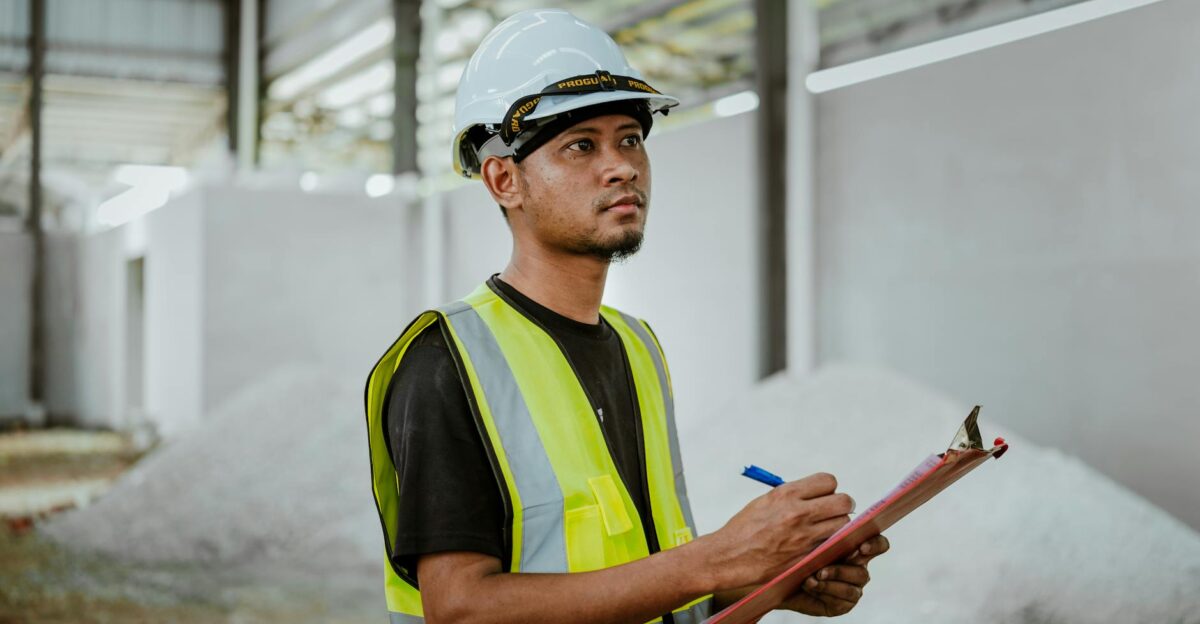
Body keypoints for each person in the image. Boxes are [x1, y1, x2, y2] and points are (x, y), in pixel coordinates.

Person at [363, 9, 888, 623]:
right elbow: (460, 610)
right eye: (581, 145)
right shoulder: (445, 360)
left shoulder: (638, 347)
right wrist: (720, 559)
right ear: (504, 179)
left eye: (630, 139)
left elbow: (650, 587)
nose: (622, 167)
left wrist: (767, 583)